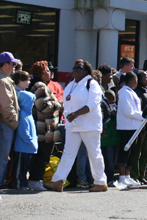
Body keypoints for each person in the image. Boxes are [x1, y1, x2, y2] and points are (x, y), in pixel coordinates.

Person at [44, 59, 108, 192]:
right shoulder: (71, 84)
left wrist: (76, 113)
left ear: (86, 71)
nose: (76, 70)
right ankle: (58, 181)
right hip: (73, 125)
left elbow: (94, 103)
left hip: (89, 125)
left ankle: (100, 181)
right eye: (74, 68)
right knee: (68, 153)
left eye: (79, 68)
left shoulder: (92, 83)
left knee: (94, 153)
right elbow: (66, 101)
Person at [28, 61, 62, 191]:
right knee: (41, 155)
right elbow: (43, 106)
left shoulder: (40, 85)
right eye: (48, 71)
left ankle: (36, 179)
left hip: (44, 127)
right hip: (43, 128)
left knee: (43, 155)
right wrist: (58, 104)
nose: (50, 73)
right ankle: (35, 180)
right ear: (42, 73)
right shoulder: (40, 86)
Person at [0, 51, 20, 189]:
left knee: (1, 153)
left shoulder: (1, 78)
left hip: (3, 121)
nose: (14, 67)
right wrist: (14, 122)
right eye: (12, 64)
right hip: (4, 122)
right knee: (0, 153)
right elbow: (5, 105)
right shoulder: (1, 80)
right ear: (5, 65)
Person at [116, 71, 143, 188]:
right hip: (126, 126)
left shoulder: (131, 92)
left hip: (134, 126)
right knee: (125, 151)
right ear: (132, 80)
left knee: (132, 152)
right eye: (136, 80)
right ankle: (121, 177)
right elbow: (128, 111)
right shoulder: (124, 92)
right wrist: (142, 115)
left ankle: (127, 176)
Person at [12, 71, 38, 190]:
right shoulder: (23, 114)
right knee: (20, 167)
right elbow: (23, 132)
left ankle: (23, 183)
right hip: (23, 146)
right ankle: (18, 183)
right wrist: (30, 141)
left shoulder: (28, 114)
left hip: (27, 147)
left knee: (25, 167)